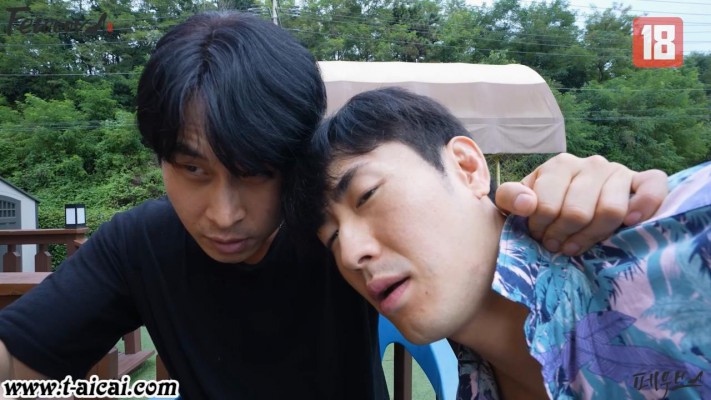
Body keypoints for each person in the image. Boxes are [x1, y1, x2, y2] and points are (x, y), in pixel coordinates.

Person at [0, 12, 670, 400]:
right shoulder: (139, 243)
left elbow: (485, 251)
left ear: (296, 159)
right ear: (161, 161)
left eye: (256, 172)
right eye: (192, 169)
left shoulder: (349, 232)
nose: (223, 213)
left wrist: (582, 196)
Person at [301, 87, 711, 399]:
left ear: (467, 168)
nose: (350, 254)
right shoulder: (475, 382)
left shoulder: (681, 244)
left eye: (367, 196)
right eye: (331, 238)